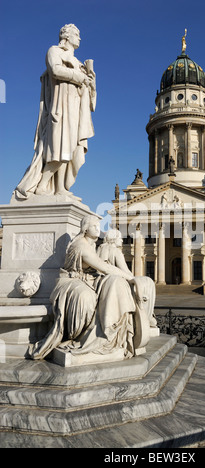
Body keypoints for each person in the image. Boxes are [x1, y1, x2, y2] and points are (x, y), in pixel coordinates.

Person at [27, 215, 138, 360]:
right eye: (94, 226)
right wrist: (132, 278)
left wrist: (126, 279)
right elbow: (104, 267)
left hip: (88, 280)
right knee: (86, 298)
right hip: (70, 282)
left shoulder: (93, 245)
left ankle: (110, 331)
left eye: (99, 226)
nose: (98, 230)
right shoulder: (81, 245)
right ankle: (80, 336)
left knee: (116, 284)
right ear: (85, 228)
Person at [14, 24, 96, 201]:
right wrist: (80, 77)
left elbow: (87, 93)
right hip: (60, 107)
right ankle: (42, 185)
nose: (80, 38)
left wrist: (90, 80)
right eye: (77, 34)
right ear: (67, 36)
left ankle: (60, 188)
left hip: (75, 108)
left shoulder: (78, 63)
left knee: (72, 149)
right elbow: (55, 70)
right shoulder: (54, 51)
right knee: (60, 148)